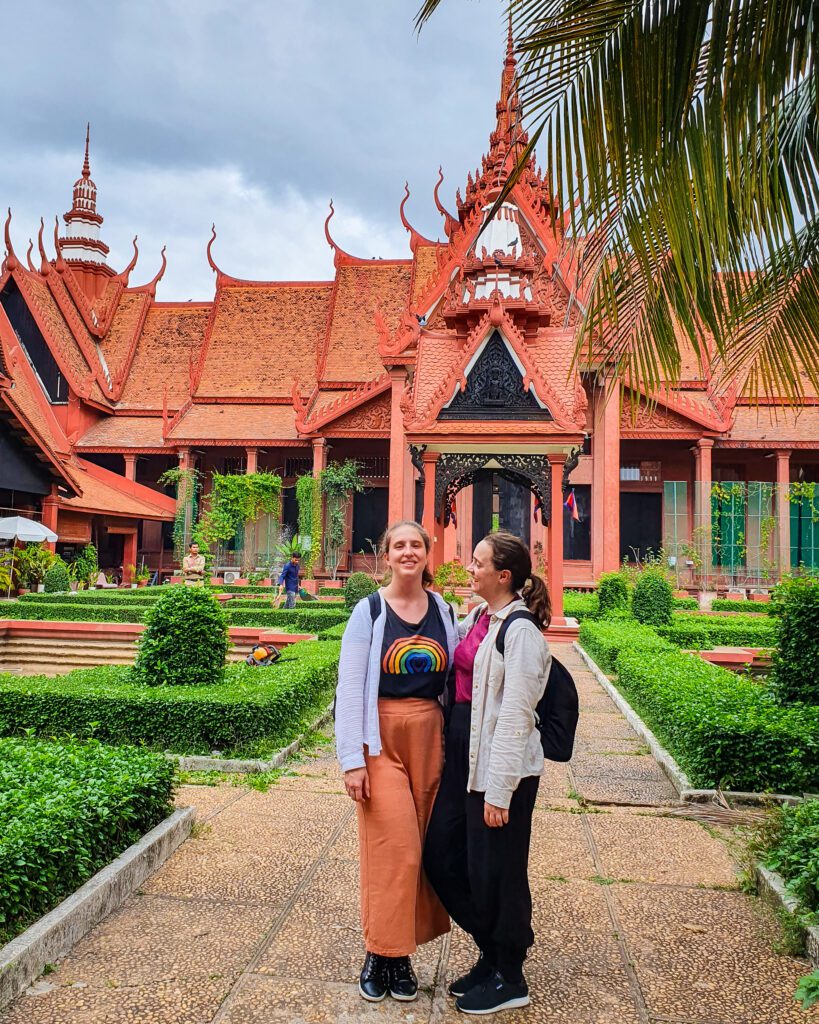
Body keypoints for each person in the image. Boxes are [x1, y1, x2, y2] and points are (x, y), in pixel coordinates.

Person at [423, 531, 552, 1016]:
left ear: (503, 575)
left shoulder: (519, 631)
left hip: (501, 766)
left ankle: (510, 973)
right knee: (442, 855)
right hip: (464, 752)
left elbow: (517, 715)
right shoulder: (479, 617)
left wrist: (499, 791)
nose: (468, 568)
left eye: (477, 563)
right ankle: (492, 951)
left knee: (498, 871)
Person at [335, 521, 460, 1004]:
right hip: (379, 738)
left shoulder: (445, 612)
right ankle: (378, 950)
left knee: (424, 848)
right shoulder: (368, 611)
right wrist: (352, 760)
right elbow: (349, 688)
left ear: (428, 554)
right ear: (385, 556)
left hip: (429, 735)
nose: (408, 552)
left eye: (416, 545)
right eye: (399, 546)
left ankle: (400, 956)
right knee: (395, 847)